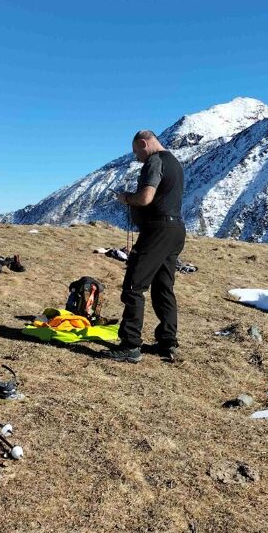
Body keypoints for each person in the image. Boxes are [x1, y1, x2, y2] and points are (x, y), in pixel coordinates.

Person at [103, 130, 185, 363]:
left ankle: (130, 344)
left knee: (133, 285)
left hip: (157, 230)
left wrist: (127, 198)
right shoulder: (175, 162)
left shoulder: (155, 161)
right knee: (163, 286)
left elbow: (146, 197)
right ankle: (167, 341)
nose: (136, 157)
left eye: (136, 151)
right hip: (175, 229)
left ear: (143, 143)